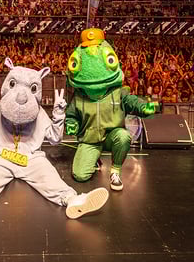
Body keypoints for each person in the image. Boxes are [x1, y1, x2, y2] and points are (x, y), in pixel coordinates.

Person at [0, 60, 108, 220]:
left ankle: (73, 200)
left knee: (50, 177)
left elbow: (55, 138)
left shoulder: (39, 113)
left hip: (32, 159)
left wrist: (58, 115)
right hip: (1, 158)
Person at [64, 29, 158, 191]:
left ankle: (115, 171)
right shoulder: (79, 96)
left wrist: (146, 107)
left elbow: (132, 102)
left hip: (111, 137)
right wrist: (71, 124)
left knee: (123, 136)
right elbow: (71, 115)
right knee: (80, 176)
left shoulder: (118, 93)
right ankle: (94, 158)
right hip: (90, 139)